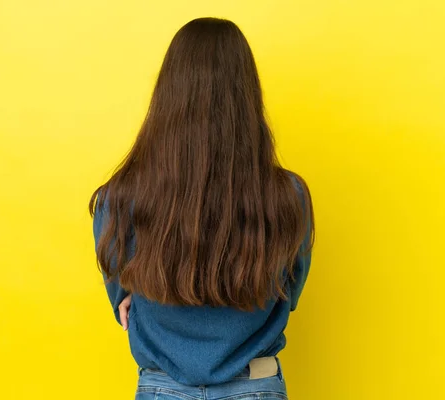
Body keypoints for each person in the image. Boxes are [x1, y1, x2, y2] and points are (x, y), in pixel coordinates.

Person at [90, 17, 314, 400]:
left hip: (162, 386)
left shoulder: (123, 195)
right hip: (255, 384)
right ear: (247, 94)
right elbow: (289, 294)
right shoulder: (286, 195)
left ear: (168, 93)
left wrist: (128, 295)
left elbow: (119, 280)